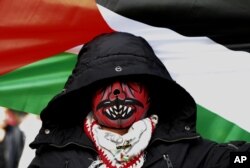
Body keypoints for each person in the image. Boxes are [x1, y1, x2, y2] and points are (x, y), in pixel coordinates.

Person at [28, 32, 250, 168]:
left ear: (152, 91)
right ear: (86, 94)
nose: (117, 93)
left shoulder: (191, 155)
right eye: (103, 83)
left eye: (130, 81)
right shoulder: (53, 161)